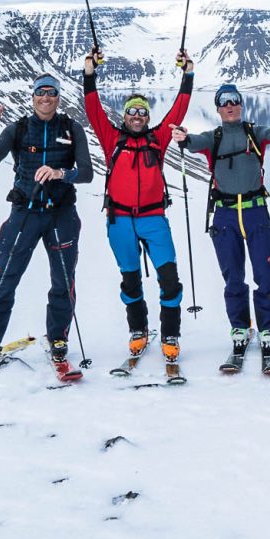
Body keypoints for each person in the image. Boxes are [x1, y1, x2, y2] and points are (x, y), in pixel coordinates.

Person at [172, 83, 270, 372]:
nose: (229, 105)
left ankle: (267, 331)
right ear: (217, 108)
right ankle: (240, 329)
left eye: (234, 101)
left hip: (255, 213)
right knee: (233, 278)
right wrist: (181, 136)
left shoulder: (253, 132)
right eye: (223, 102)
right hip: (225, 216)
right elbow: (190, 142)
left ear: (241, 105)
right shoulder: (213, 138)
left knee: (266, 275)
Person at [0, 74, 94, 369]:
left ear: (59, 97)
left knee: (63, 280)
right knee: (4, 278)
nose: (45, 98)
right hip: (24, 213)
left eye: (51, 92)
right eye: (40, 92)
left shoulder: (71, 128)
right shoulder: (19, 128)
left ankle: (58, 338)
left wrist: (61, 173)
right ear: (34, 96)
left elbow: (87, 172)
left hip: (61, 214)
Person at [83, 46, 194, 364]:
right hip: (119, 219)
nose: (136, 116)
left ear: (147, 117)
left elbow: (178, 112)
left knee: (169, 279)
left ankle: (170, 334)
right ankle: (139, 330)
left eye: (142, 112)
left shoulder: (158, 138)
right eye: (132, 112)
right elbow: (93, 109)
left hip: (153, 218)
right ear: (125, 116)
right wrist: (90, 73)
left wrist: (188, 74)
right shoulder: (111, 139)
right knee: (129, 279)